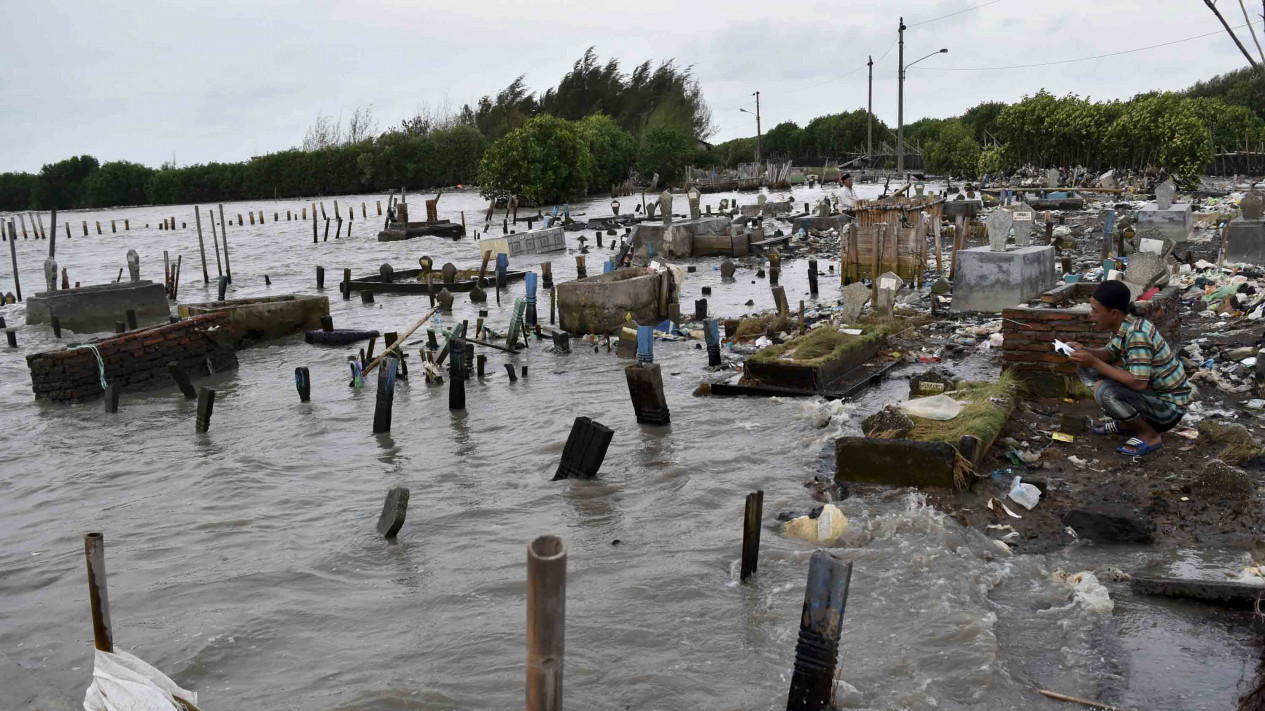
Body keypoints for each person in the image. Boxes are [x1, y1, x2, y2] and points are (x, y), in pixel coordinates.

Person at [1066, 280, 1190, 456]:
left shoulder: (1137, 334)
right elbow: (1109, 354)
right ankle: (1127, 423)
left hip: (1169, 408)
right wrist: (1083, 350)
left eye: (1095, 310)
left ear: (1114, 313)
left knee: (1104, 391)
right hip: (1153, 396)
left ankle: (1149, 434)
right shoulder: (1126, 324)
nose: (1091, 314)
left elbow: (1138, 383)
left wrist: (1093, 361)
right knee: (1084, 366)